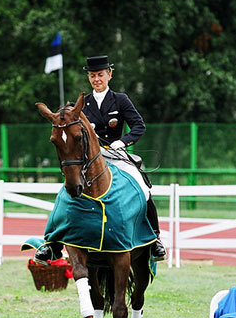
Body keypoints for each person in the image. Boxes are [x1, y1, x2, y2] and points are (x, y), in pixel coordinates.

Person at [34, 55, 166, 263]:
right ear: (89, 78)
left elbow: (139, 126)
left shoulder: (120, 100)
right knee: (65, 192)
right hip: (89, 158)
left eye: (100, 75)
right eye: (93, 75)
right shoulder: (81, 104)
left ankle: (154, 240)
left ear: (109, 75)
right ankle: (52, 244)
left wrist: (122, 142)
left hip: (116, 154)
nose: (97, 79)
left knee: (143, 187)